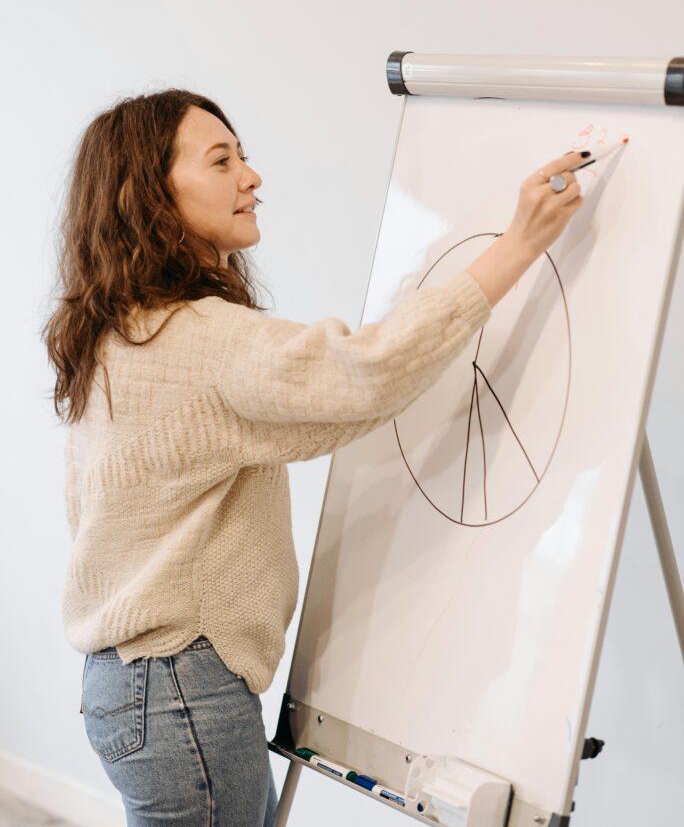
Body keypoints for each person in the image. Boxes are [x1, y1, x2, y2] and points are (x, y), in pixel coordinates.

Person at [42, 88, 583, 826]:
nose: (252, 177)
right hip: (176, 689)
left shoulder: (116, 333)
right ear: (152, 195)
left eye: (246, 157)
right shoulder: (193, 338)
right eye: (222, 160)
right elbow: (368, 374)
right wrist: (518, 244)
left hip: (133, 687)